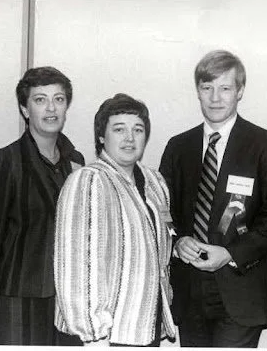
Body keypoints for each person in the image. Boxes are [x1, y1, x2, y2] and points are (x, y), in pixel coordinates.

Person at [159, 50, 267, 347]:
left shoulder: (264, 144)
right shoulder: (178, 147)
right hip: (190, 291)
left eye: (225, 88)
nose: (215, 98)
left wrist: (231, 254)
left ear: (240, 91)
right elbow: (162, 212)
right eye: (207, 88)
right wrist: (178, 242)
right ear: (198, 92)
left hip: (241, 289)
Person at [0, 67, 85, 345]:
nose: (51, 108)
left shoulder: (76, 162)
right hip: (17, 300)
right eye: (40, 99)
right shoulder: (4, 161)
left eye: (58, 99)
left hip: (69, 301)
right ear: (24, 108)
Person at [54, 93, 176, 346]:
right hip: (107, 336)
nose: (130, 138)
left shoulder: (154, 182)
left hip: (145, 327)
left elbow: (156, 246)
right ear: (101, 137)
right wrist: (94, 335)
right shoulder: (89, 181)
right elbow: (78, 266)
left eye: (138, 129)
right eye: (119, 129)